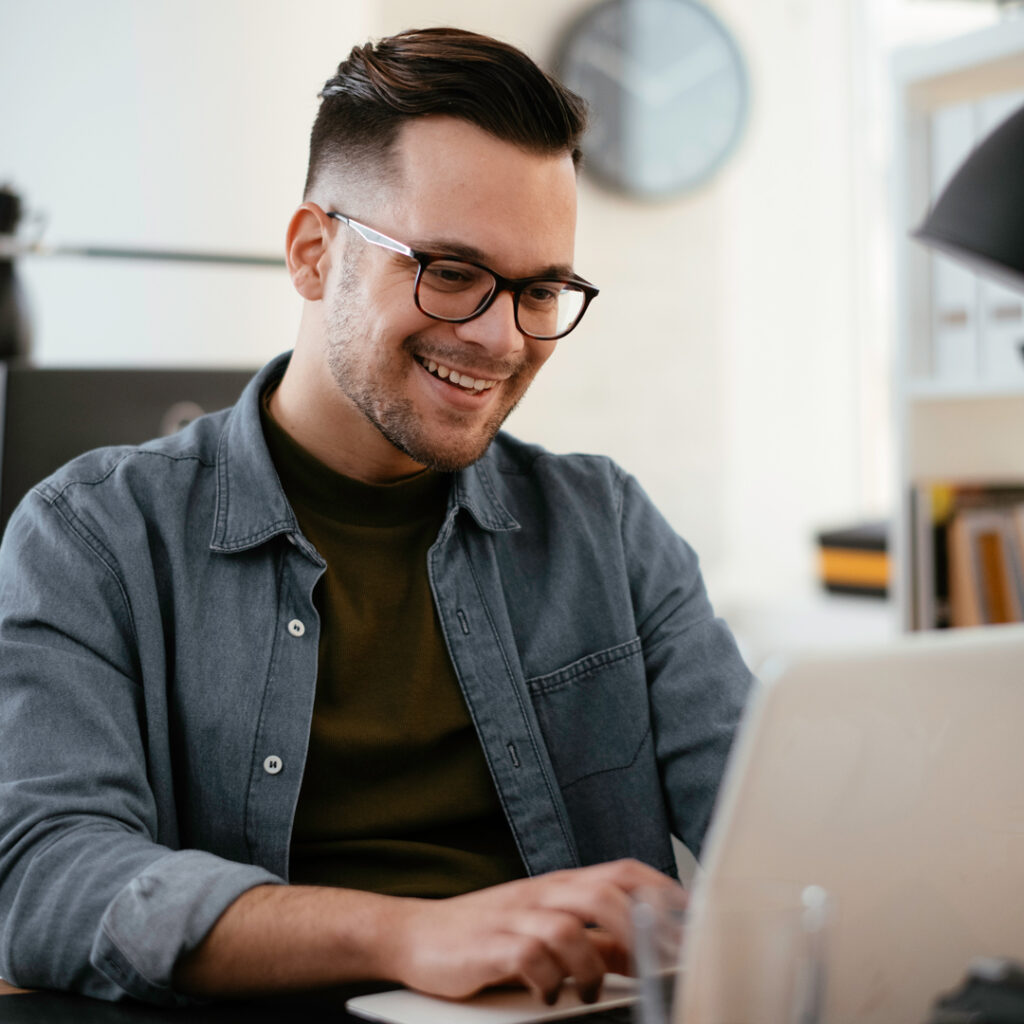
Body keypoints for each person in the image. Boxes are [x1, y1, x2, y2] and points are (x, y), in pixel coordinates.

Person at [0, 27, 752, 1007]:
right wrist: (407, 933)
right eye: (447, 270)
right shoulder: (89, 535)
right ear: (314, 253)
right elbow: (43, 876)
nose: (498, 336)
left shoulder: (603, 524)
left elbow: (772, 808)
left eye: (540, 290)